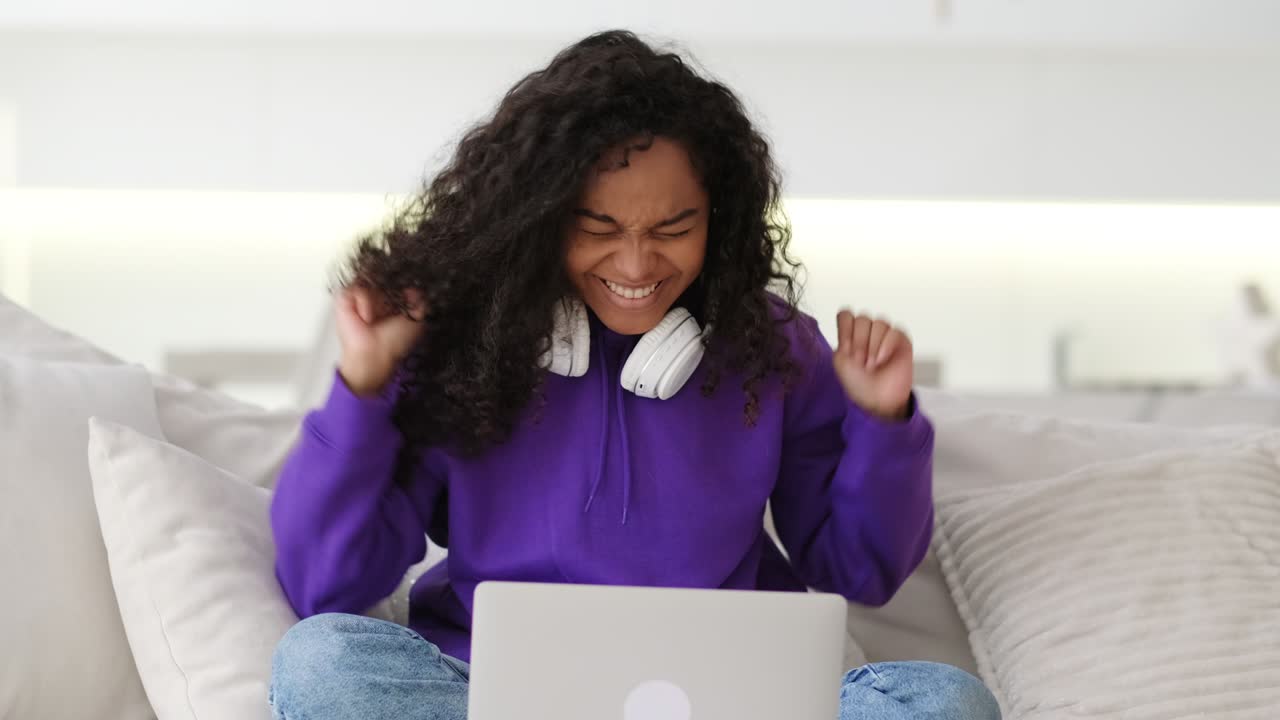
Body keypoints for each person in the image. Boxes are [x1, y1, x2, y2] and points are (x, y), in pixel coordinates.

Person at [267, 29, 1000, 720]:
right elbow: (325, 586)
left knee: (942, 702)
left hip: (730, 698)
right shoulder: (459, 345)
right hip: (500, 696)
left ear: (721, 219)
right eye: (599, 228)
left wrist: (883, 424)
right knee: (320, 664)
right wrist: (364, 389)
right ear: (539, 216)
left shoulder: (778, 349)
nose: (636, 267)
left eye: (673, 229)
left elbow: (860, 572)